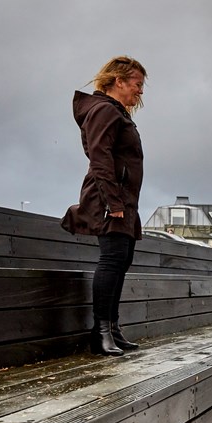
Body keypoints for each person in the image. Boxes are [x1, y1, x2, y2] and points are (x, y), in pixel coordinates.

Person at [61, 56, 147, 356]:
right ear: (119, 81)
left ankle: (112, 327)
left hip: (123, 200)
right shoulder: (103, 110)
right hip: (109, 199)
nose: (140, 91)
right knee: (112, 260)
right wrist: (114, 202)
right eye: (137, 84)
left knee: (121, 260)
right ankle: (100, 332)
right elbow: (100, 158)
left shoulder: (115, 113)